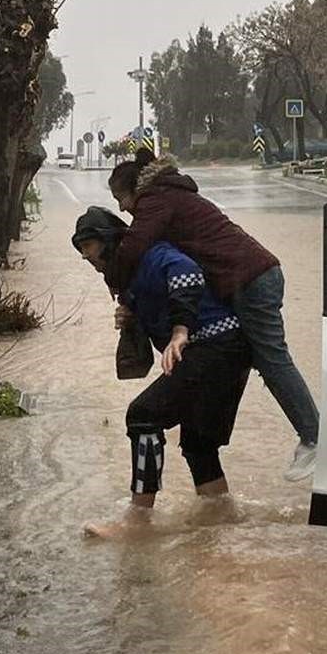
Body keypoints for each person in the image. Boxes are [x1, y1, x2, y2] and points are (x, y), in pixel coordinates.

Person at [105, 150, 319, 481]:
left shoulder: (157, 199)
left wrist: (114, 280)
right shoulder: (171, 194)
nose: (122, 208)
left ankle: (315, 437)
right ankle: (311, 437)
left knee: (272, 359)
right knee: (264, 358)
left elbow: (133, 246)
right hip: (253, 277)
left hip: (251, 279)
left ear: (136, 189)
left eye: (121, 198)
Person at [72, 206, 252, 539]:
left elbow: (188, 274)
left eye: (97, 256)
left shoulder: (154, 256)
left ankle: (138, 520)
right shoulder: (129, 278)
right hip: (229, 351)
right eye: (89, 261)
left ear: (113, 244)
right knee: (198, 444)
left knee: (143, 415)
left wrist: (181, 329)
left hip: (216, 346)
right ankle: (222, 519)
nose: (95, 265)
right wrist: (132, 319)